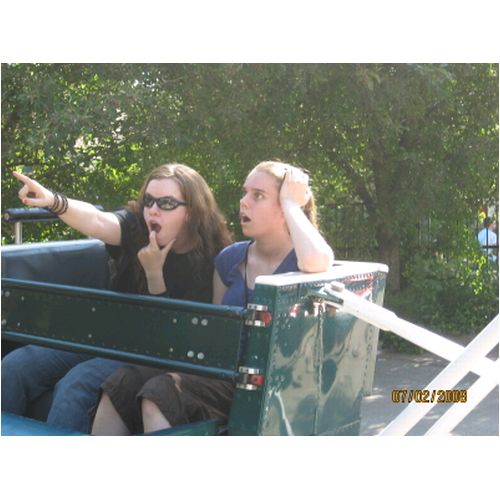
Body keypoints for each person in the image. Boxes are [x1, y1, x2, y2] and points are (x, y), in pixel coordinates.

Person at [91, 160, 334, 435]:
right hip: (224, 375)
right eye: (245, 192)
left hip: (273, 385)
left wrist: (291, 204)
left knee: (160, 393)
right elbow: (215, 338)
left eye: (258, 196)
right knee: (121, 383)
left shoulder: (304, 260)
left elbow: (319, 260)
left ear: (285, 208)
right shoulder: (229, 259)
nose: (244, 202)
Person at [2, 164, 232, 433]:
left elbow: (173, 339)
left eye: (166, 203)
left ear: (190, 211)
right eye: (149, 200)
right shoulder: (136, 227)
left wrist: (154, 274)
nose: (153, 210)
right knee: (15, 367)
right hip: (109, 334)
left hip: (152, 352)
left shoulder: (214, 260)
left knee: (77, 384)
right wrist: (53, 201)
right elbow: (98, 221)